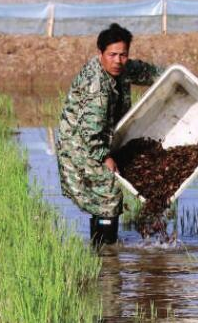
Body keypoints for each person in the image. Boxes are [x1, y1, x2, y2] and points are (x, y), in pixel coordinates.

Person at [56, 23, 164, 245]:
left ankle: (102, 250)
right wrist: (106, 157)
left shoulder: (122, 68)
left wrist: (173, 77)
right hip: (80, 146)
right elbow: (90, 134)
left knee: (107, 193)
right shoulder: (97, 87)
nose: (118, 60)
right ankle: (105, 254)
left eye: (122, 55)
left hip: (101, 140)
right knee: (108, 195)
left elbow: (147, 72)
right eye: (112, 55)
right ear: (100, 54)